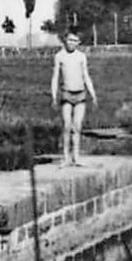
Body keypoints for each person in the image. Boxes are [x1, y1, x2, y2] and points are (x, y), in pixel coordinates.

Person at [51, 29, 97, 167]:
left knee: (77, 126)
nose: (72, 43)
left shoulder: (81, 56)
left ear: (79, 42)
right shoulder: (60, 56)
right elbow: (55, 77)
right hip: (66, 93)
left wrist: (93, 93)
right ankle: (66, 157)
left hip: (80, 94)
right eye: (70, 40)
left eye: (75, 41)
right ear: (65, 40)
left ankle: (76, 157)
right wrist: (54, 96)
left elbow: (86, 76)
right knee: (67, 125)